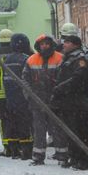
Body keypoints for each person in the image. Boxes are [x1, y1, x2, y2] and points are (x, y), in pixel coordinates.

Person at [51, 24, 88, 170]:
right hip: (69, 103)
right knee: (71, 131)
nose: (64, 44)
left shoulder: (81, 59)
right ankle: (74, 158)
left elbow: (78, 78)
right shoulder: (67, 58)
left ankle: (83, 161)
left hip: (79, 102)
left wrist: (60, 88)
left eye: (67, 42)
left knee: (81, 131)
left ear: (75, 45)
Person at [22, 34, 63, 165]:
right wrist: (30, 95)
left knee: (58, 128)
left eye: (47, 43)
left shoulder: (59, 58)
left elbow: (63, 79)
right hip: (37, 101)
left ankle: (62, 155)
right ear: (38, 46)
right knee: (39, 129)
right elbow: (25, 80)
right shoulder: (31, 60)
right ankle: (38, 157)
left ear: (51, 44)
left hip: (55, 100)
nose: (44, 46)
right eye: (42, 44)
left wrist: (57, 95)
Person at [2, 33, 34, 160]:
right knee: (25, 124)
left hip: (10, 97)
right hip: (23, 98)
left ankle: (14, 150)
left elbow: (3, 79)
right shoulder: (26, 59)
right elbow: (29, 78)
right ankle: (26, 152)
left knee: (12, 124)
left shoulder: (6, 59)